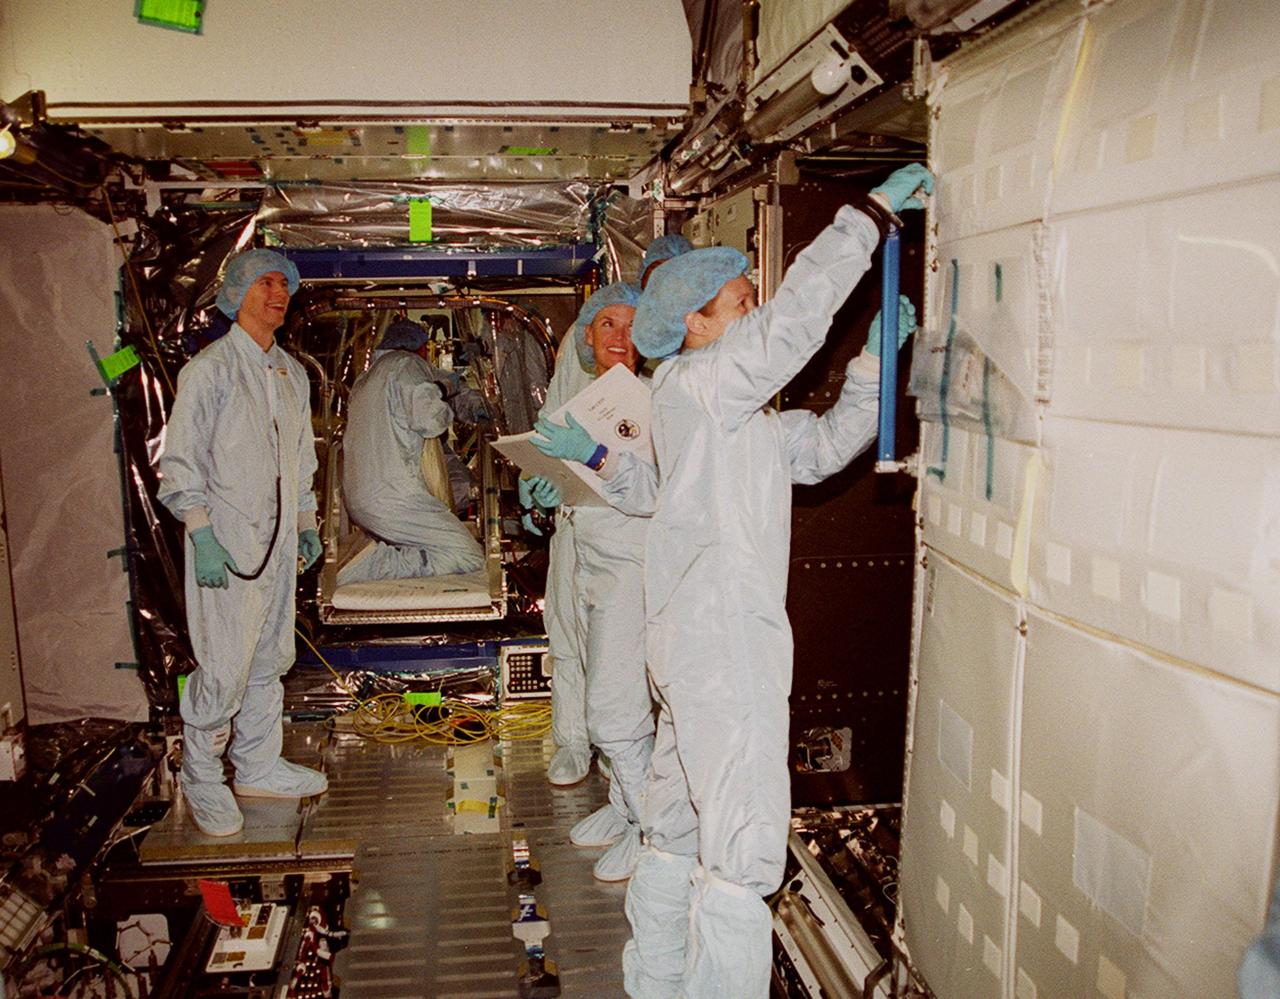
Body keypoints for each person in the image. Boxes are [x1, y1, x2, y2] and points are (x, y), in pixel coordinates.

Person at [583, 164, 932, 997]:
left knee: (674, 827)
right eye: (741, 299)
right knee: (741, 858)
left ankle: (657, 980)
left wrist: (877, 364)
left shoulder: (719, 409)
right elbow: (790, 331)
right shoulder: (704, 385)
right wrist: (868, 221)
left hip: (691, 647)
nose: (752, 307)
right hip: (723, 648)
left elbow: (821, 448)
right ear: (697, 324)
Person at [158, 248, 327, 838]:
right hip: (226, 549)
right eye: (265, 283)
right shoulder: (209, 371)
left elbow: (301, 461)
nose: (278, 292)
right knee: (225, 667)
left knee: (269, 661)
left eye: (284, 283)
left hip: (278, 548)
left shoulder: (291, 374)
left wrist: (306, 524)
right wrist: (201, 533)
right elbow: (179, 465)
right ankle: (202, 773)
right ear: (237, 292)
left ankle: (255, 764)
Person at [523, 281, 657, 882]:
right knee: (583, 663)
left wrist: (596, 463)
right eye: (607, 326)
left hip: (631, 564)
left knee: (616, 705)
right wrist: (543, 489)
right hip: (584, 553)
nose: (619, 338)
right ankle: (627, 808)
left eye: (631, 327)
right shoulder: (581, 394)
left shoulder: (656, 398)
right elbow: (556, 460)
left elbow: (657, 490)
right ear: (587, 337)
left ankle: (655, 831)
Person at [339, 320, 485, 585]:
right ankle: (373, 565)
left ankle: (381, 558)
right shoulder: (407, 364)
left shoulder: (367, 378)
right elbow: (428, 420)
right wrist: (444, 395)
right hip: (394, 497)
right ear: (421, 349)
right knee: (468, 555)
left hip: (360, 498)